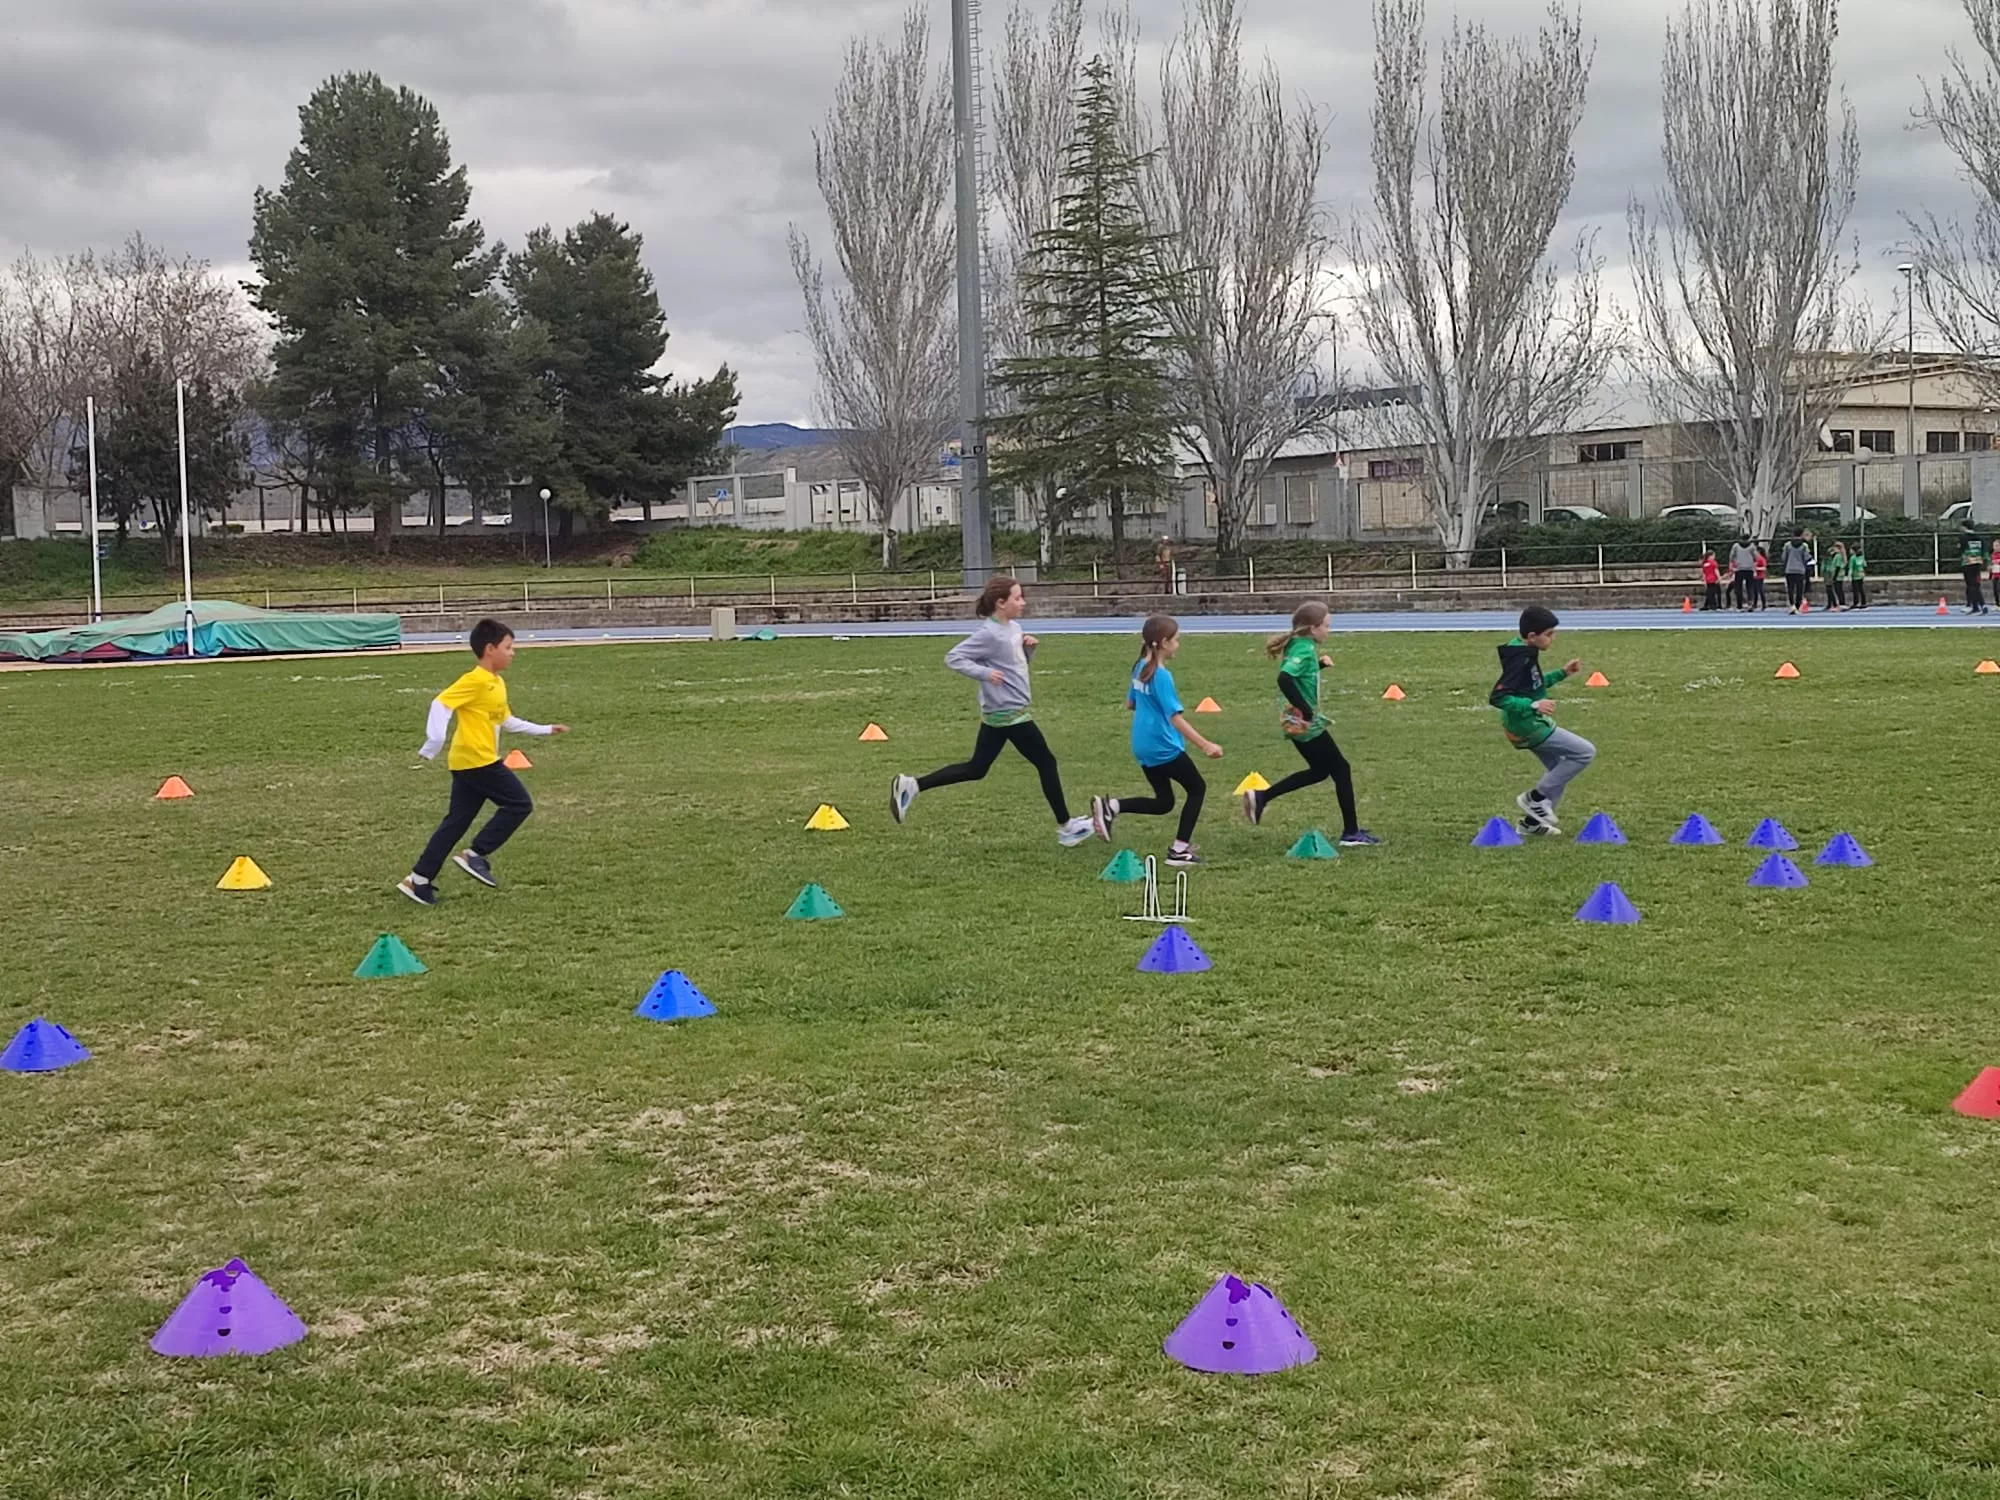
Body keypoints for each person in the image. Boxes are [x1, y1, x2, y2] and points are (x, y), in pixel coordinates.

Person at [891, 577, 1096, 846]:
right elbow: (954, 657)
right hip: (1010, 713)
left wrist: (1027, 651)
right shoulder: (989, 633)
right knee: (1046, 762)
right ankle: (1067, 827)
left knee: (977, 768)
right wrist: (985, 673)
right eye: (1017, 598)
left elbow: (1013, 666)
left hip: (1005, 711)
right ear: (1001, 603)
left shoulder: (1013, 628)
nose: (1023, 603)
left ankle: (913, 785)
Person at [399, 618, 569, 907]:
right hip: (477, 760)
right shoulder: (475, 680)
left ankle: (419, 880)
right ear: (490, 649)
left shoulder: (496, 683)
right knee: (519, 804)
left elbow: (505, 720)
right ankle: (476, 854)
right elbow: (441, 704)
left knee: (455, 823)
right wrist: (433, 744)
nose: (513, 652)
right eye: (508, 647)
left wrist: (544, 729)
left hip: (471, 762)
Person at [1241, 601, 1380, 846]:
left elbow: (1300, 674)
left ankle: (1262, 797)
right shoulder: (1303, 649)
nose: (1329, 631)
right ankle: (1351, 833)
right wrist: (1304, 709)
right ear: (1313, 628)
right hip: (1303, 722)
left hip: (1296, 721)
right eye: (1326, 626)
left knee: (1319, 771)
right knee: (1341, 769)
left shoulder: (1301, 645)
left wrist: (1320, 666)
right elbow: (1285, 678)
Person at [1091, 616, 1221, 869]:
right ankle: (1179, 850)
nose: (1178, 645)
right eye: (1176, 640)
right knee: (1197, 788)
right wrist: (1205, 745)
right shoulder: (1161, 675)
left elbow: (1131, 703)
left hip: (1142, 743)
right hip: (1163, 745)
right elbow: (1175, 717)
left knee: (1164, 802)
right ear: (1163, 642)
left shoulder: (1140, 666)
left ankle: (1112, 806)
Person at [1490, 604, 1593, 837]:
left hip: (1524, 723)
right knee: (1585, 752)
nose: (1552, 639)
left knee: (1558, 770)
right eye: (1549, 634)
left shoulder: (1524, 651)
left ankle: (1531, 824)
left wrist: (1563, 673)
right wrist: (1533, 705)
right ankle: (1534, 798)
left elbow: (1532, 685)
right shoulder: (1520, 659)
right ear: (1532, 636)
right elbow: (1498, 696)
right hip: (1527, 725)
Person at [1961, 521, 1991, 615]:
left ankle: (1982, 605)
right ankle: (1975, 607)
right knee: (1975, 584)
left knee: (1972, 585)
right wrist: (1987, 562)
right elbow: (1984, 550)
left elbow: (1961, 549)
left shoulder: (1963, 538)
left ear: (1965, 527)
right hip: (1978, 562)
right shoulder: (1980, 538)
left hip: (1968, 563)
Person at [1781, 530, 1813, 614]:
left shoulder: (1787, 545)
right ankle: (1798, 606)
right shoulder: (1804, 545)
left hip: (1789, 569)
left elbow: (1784, 557)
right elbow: (1806, 557)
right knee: (1799, 589)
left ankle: (1792, 605)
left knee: (1790, 589)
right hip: (1800, 570)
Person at [1726, 535, 1757, 611]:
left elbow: (1731, 556)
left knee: (1738, 588)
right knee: (1750, 587)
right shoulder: (1752, 546)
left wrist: (1732, 564)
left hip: (1739, 568)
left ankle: (1739, 605)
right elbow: (1756, 557)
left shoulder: (1736, 546)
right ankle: (1750, 603)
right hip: (1749, 568)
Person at [1823, 540, 1849, 612]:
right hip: (1839, 575)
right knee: (1838, 590)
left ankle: (1841, 604)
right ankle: (1841, 604)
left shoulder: (1838, 556)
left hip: (1838, 576)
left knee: (1838, 590)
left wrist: (1834, 577)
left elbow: (1837, 567)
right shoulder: (1839, 556)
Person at [1848, 539, 1868, 610]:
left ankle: (1856, 603)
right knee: (1861, 589)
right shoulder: (1861, 557)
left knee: (1855, 590)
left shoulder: (1852, 558)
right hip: (1861, 574)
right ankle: (1863, 603)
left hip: (1855, 575)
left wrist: (1849, 576)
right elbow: (1865, 565)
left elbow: (1851, 568)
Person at [1753, 542, 1770, 610]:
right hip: (1754, 576)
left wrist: (1757, 568)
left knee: (1760, 590)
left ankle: (1764, 604)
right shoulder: (1754, 559)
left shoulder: (1761, 559)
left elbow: (1764, 568)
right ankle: (1755, 604)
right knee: (1754, 591)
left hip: (1760, 576)